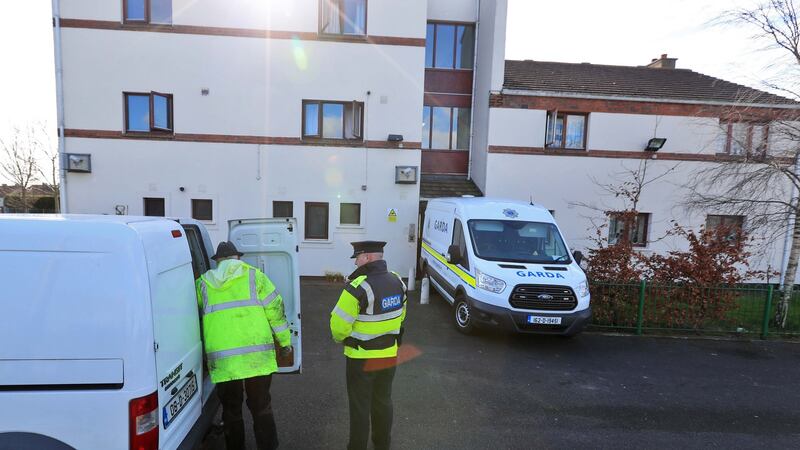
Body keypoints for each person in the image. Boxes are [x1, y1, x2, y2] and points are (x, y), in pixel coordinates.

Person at [196, 241, 292, 450]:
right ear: (237, 258)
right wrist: (285, 343)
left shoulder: (202, 284)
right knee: (261, 407)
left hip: (224, 361)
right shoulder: (254, 276)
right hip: (257, 357)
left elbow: (195, 316)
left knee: (231, 410)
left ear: (218, 261)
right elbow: (276, 310)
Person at [330, 241, 408, 450]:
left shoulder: (357, 287)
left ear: (368, 258)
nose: (355, 262)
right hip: (388, 355)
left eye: (358, 257)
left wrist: (343, 339)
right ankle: (382, 444)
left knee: (360, 407)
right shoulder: (398, 281)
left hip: (360, 358)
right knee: (383, 401)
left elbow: (338, 327)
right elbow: (401, 316)